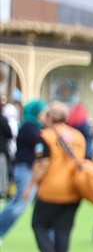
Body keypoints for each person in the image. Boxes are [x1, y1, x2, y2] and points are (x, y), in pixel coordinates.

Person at [28, 102, 86, 252]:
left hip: (52, 188)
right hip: (74, 188)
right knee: (64, 228)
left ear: (51, 117)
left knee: (38, 223)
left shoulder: (45, 135)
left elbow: (42, 164)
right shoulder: (78, 136)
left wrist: (30, 186)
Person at [0, 99, 45, 243]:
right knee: (19, 204)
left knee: (24, 205)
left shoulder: (34, 127)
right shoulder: (29, 127)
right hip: (25, 169)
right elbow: (40, 146)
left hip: (30, 169)